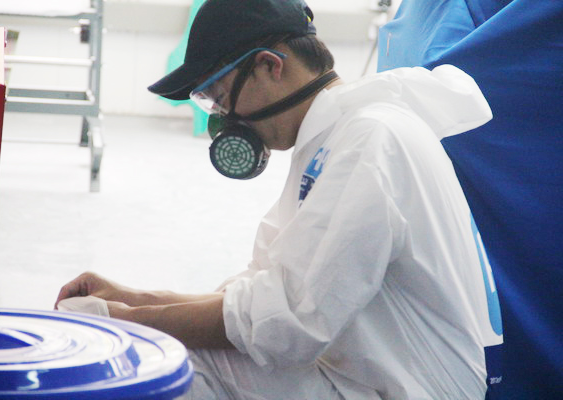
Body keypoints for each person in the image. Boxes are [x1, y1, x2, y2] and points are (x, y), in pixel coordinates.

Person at [55, 0, 503, 398]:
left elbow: (289, 323)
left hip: (410, 388)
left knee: (170, 366)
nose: (224, 120)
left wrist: (123, 322)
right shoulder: (331, 139)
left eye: (220, 99)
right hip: (369, 375)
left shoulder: (370, 140)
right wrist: (135, 299)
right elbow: (263, 289)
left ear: (270, 66)